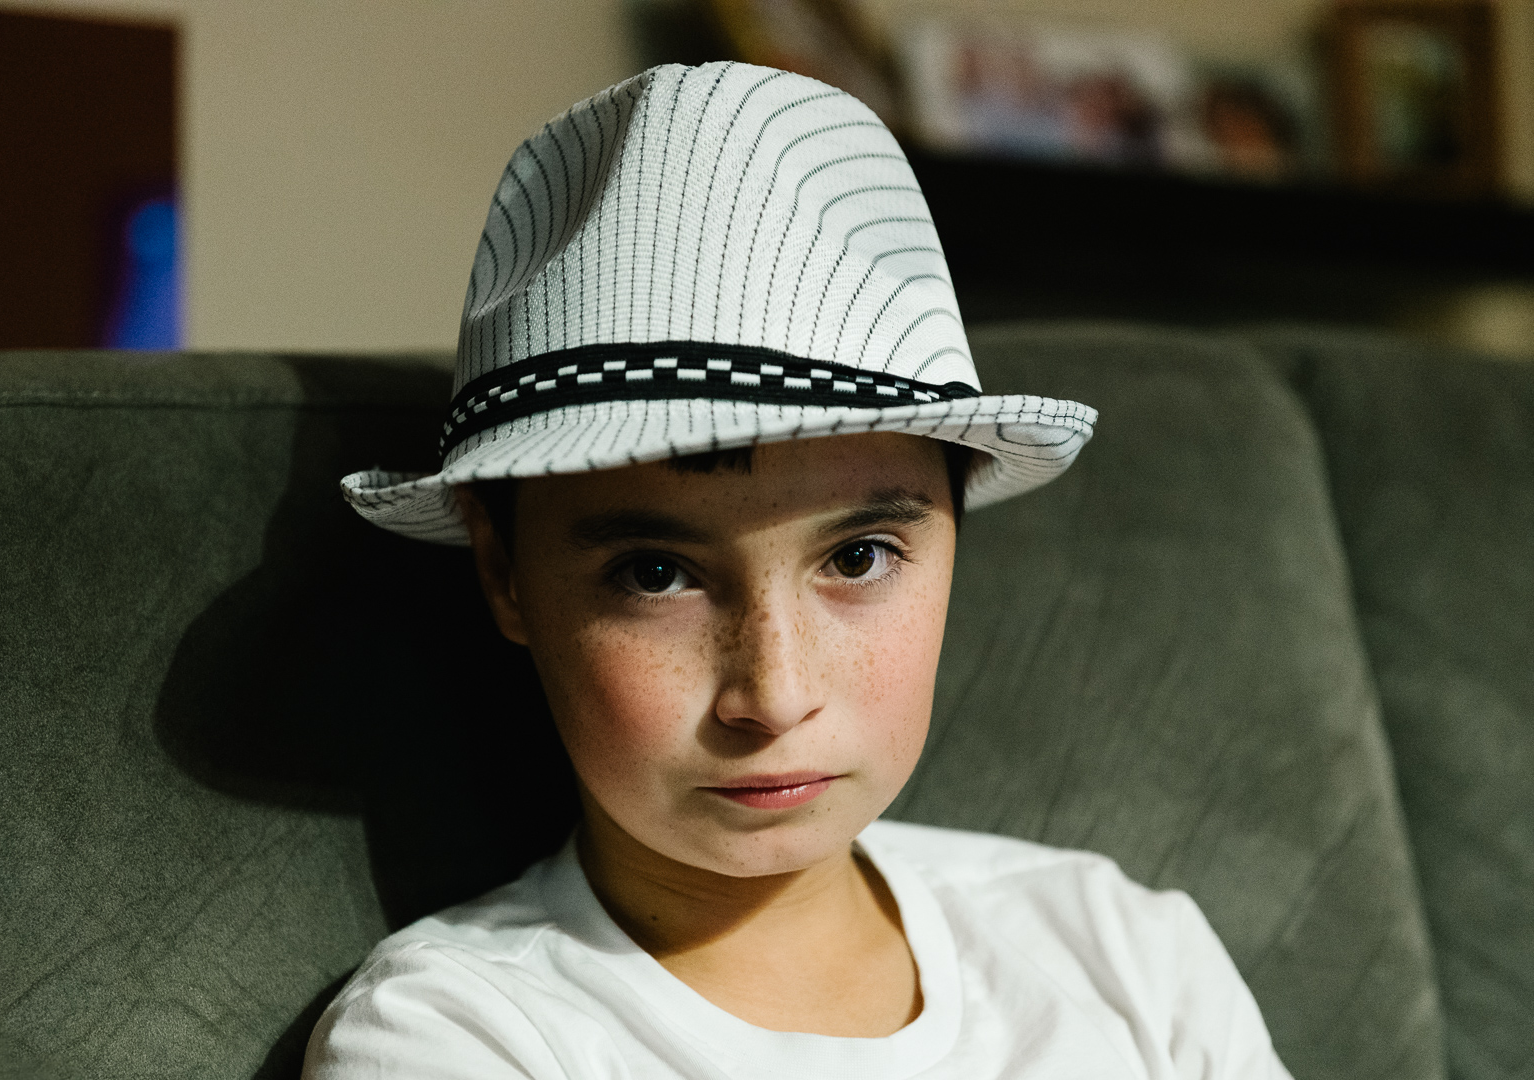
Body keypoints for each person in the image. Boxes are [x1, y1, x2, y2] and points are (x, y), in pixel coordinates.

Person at [303, 62, 1290, 1079]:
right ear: (503, 572)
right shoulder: (454, 1036)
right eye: (655, 574)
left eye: (856, 558)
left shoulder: (1126, 954)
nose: (773, 696)